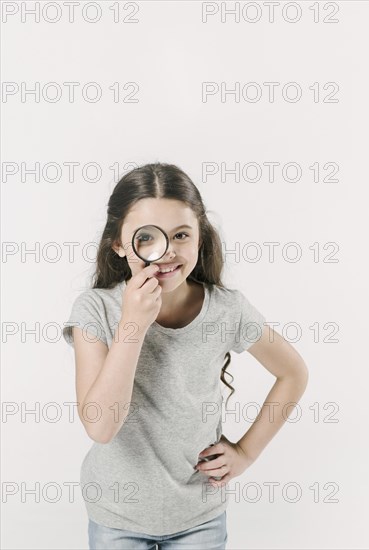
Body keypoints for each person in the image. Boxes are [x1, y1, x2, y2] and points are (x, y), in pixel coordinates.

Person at [62, 162, 309, 549]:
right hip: (117, 514)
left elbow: (293, 373)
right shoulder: (96, 310)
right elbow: (100, 427)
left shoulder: (228, 310)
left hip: (199, 517)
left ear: (200, 239)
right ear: (118, 243)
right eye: (146, 238)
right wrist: (132, 325)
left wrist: (245, 452)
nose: (166, 253)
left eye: (180, 235)